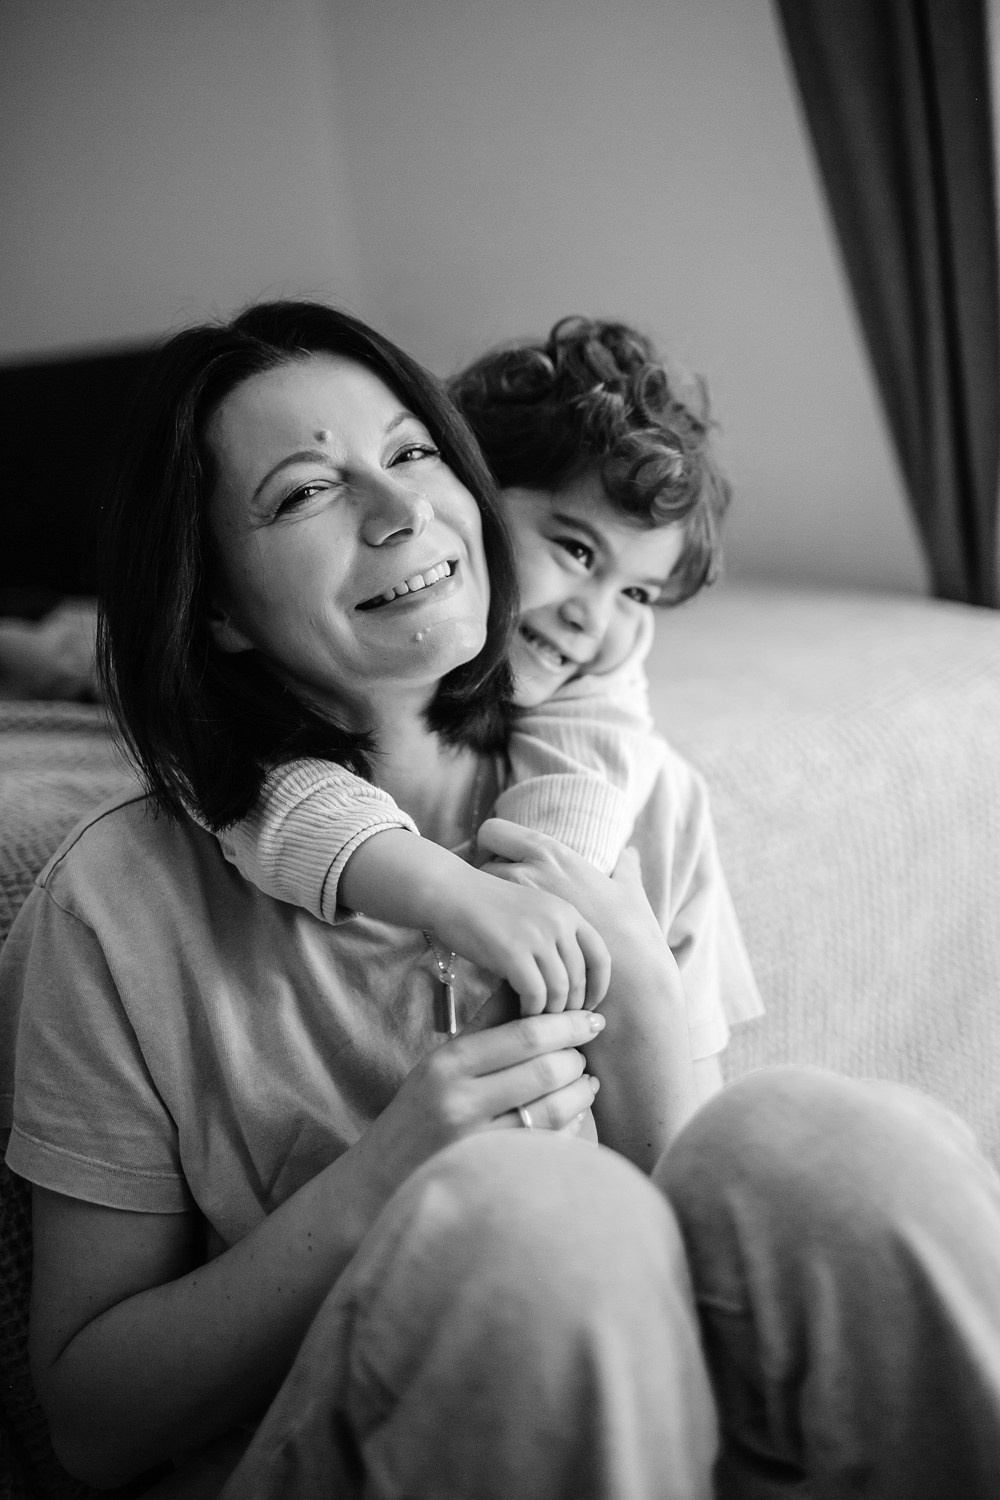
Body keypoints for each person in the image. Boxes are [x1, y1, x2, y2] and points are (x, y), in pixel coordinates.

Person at [3, 301, 1000, 1500]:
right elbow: (92, 1425)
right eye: (305, 491)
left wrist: (640, 1022)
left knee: (828, 1147)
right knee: (534, 1219)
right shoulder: (113, 904)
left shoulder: (642, 797)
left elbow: (701, 1224)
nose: (399, 510)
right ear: (213, 601)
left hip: (654, 1416)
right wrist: (384, 1181)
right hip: (333, 1445)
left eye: (413, 452)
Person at [211, 318, 758, 1034]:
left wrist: (548, 927)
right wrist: (454, 895)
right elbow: (261, 792)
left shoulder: (617, 719)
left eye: (638, 594)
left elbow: (585, 786)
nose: (591, 620)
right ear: (470, 487)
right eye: (577, 552)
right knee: (81, 657)